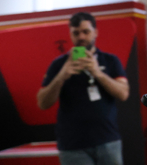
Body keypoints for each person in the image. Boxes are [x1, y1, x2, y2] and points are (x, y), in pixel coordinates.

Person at [37, 12, 130, 165]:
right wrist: (62, 76)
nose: (81, 37)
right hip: (72, 146)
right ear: (70, 35)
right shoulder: (59, 65)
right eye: (76, 33)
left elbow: (123, 93)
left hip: (107, 140)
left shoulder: (110, 60)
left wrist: (97, 73)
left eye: (86, 32)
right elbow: (42, 103)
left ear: (95, 32)